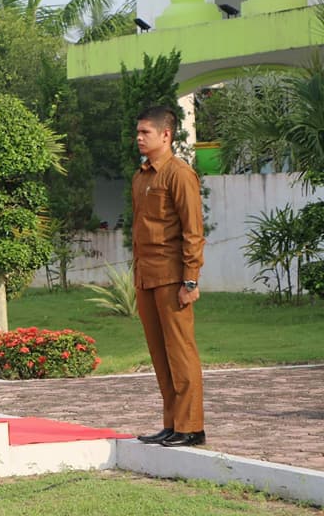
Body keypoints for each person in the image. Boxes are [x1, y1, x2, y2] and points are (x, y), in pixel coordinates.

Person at [132, 106, 206, 448]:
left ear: (166, 135)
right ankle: (173, 423)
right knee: (160, 355)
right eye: (138, 132)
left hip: (173, 278)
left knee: (181, 351)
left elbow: (193, 231)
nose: (139, 138)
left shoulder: (179, 174)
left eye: (146, 132)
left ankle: (192, 426)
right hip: (146, 276)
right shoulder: (142, 176)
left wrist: (190, 281)